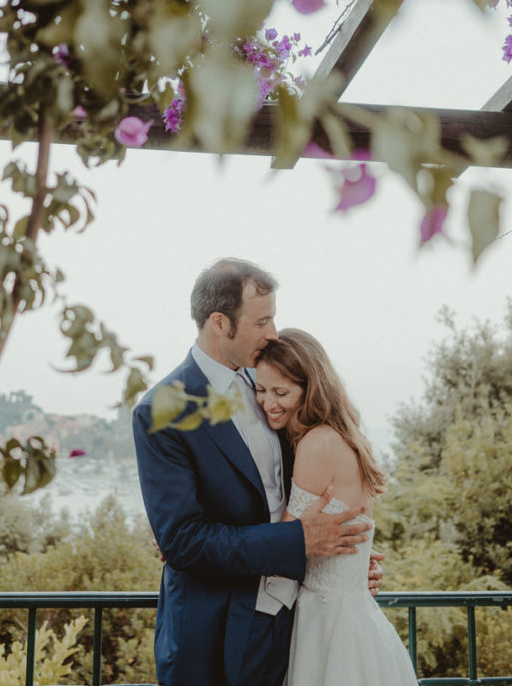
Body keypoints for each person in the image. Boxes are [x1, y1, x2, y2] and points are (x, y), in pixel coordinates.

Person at [132, 258, 379, 686]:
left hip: (289, 624)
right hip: (211, 634)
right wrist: (300, 540)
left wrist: (345, 564)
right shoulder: (160, 411)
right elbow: (183, 542)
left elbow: (310, 486)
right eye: (262, 321)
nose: (273, 333)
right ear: (220, 322)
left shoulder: (272, 386)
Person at [254, 328, 418, 686]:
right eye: (261, 389)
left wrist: (197, 543)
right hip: (353, 617)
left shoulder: (316, 444)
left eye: (281, 392)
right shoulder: (344, 437)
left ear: (309, 389)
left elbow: (280, 544)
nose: (268, 402)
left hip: (330, 626)